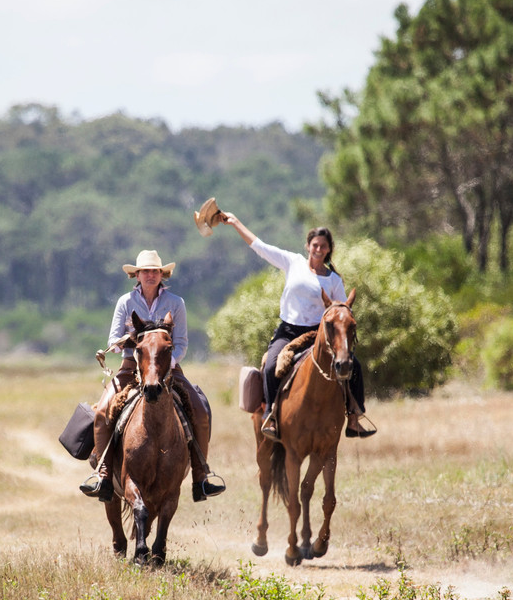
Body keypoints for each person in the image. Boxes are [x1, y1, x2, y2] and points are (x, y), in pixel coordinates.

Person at [80, 250, 225, 503]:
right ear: (136, 275)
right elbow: (113, 342)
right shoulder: (125, 302)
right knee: (103, 411)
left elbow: (181, 343)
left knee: (200, 411)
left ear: (162, 274)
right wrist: (131, 341)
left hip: (168, 369)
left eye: (155, 271)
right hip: (131, 367)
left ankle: (200, 476)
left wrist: (166, 365)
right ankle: (103, 474)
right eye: (145, 271)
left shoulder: (176, 303)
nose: (150, 275)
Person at [221, 212, 375, 442]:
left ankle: (354, 417)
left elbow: (341, 309)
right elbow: (259, 246)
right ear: (308, 246)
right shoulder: (292, 262)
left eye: (323, 246)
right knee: (272, 363)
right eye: (315, 245)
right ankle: (271, 415)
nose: (318, 249)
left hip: (317, 334)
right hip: (288, 332)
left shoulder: (333, 280)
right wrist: (235, 223)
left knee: (354, 366)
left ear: (329, 249)